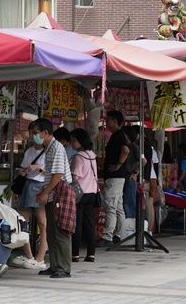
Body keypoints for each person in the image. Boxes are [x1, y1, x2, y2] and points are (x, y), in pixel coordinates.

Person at [30, 118, 76, 279]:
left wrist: (45, 192)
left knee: (60, 230)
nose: (34, 136)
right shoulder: (49, 148)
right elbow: (51, 175)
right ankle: (55, 265)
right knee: (51, 231)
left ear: (45, 132)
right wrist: (44, 190)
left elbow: (58, 175)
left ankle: (63, 267)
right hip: (52, 193)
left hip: (60, 194)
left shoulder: (56, 147)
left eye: (35, 133)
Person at [13, 139, 49, 270]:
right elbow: (23, 168)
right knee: (21, 222)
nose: (34, 136)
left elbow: (53, 173)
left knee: (42, 223)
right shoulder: (29, 151)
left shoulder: (49, 151)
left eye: (36, 133)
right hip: (27, 184)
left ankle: (40, 258)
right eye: (32, 133)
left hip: (40, 185)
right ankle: (29, 256)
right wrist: (24, 172)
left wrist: (38, 168)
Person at [100, 110, 130, 245]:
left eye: (108, 119)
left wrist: (118, 164)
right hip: (116, 176)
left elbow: (126, 150)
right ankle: (120, 233)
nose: (106, 121)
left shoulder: (119, 135)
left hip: (115, 176)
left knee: (110, 205)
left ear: (115, 121)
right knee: (118, 207)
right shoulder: (117, 135)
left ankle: (107, 236)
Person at [70, 127, 98, 263]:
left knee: (77, 224)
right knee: (89, 224)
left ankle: (75, 253)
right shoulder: (92, 155)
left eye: (74, 140)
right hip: (92, 192)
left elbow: (75, 176)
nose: (72, 143)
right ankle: (91, 253)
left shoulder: (78, 157)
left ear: (81, 141)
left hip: (80, 193)